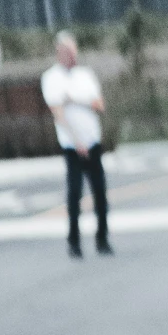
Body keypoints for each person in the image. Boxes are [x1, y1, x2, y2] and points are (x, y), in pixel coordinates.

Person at [40, 32, 110, 259]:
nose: (71, 55)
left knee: (100, 193)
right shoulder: (52, 78)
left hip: (93, 141)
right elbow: (58, 112)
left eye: (74, 50)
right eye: (67, 51)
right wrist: (76, 141)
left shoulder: (85, 75)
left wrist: (76, 99)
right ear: (59, 53)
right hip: (72, 145)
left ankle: (102, 238)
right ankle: (74, 241)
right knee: (74, 194)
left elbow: (99, 105)